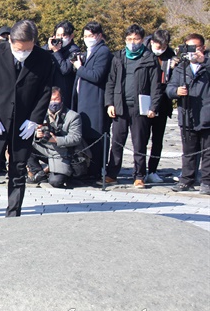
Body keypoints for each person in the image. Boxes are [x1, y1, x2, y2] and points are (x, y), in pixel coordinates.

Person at [0, 19, 54, 219]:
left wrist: (34, 119)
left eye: (26, 50)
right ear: (10, 40)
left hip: (24, 122)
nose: (22, 54)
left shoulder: (44, 59)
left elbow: (45, 91)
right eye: (18, 49)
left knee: (18, 169)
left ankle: (13, 214)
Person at [104, 24, 161, 188]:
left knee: (139, 142)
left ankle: (139, 175)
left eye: (136, 39)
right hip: (120, 106)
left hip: (140, 108)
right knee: (117, 142)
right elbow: (111, 82)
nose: (132, 42)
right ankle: (112, 173)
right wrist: (109, 103)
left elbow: (155, 86)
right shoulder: (118, 57)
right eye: (129, 39)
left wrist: (153, 107)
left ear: (142, 40)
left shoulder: (149, 59)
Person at [167, 33, 210, 195]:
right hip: (187, 114)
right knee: (189, 151)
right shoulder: (181, 67)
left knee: (208, 152)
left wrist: (203, 61)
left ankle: (207, 181)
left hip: (206, 114)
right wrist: (176, 91)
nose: (193, 52)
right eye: (189, 48)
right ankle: (187, 179)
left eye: (196, 48)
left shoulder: (207, 64)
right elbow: (169, 88)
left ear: (203, 48)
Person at [71, 21, 113, 180]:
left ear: (100, 36)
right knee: (85, 135)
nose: (88, 39)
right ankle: (87, 168)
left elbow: (96, 75)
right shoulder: (88, 51)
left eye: (91, 36)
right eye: (86, 36)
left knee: (96, 135)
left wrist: (79, 67)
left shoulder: (103, 52)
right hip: (82, 100)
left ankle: (96, 170)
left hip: (95, 100)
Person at [27, 87, 86, 188]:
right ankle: (38, 172)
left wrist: (57, 140)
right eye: (51, 100)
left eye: (56, 99)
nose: (53, 102)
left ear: (61, 99)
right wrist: (37, 135)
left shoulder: (73, 116)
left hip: (63, 153)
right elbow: (31, 131)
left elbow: (76, 138)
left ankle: (62, 174)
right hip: (46, 149)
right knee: (25, 145)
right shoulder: (41, 114)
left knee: (55, 182)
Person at [145, 29, 176, 183]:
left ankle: (152, 170)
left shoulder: (170, 55)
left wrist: (175, 67)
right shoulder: (143, 52)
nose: (160, 49)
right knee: (141, 138)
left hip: (162, 102)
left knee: (157, 139)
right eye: (158, 45)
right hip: (144, 99)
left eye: (163, 46)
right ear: (152, 42)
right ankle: (138, 171)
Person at [44, 20, 80, 108]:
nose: (60, 38)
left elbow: (65, 69)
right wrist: (48, 47)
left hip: (65, 91)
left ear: (71, 36)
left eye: (63, 35)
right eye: (58, 35)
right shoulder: (52, 46)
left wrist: (56, 51)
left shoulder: (74, 50)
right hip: (50, 89)